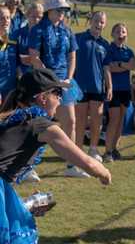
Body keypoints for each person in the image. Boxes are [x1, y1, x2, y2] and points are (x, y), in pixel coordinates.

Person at [0, 68, 111, 244]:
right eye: (57, 93)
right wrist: (104, 173)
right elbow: (87, 163)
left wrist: (25, 205)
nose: (60, 100)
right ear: (42, 98)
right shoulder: (41, 125)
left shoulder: (10, 118)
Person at [28, 0, 82, 177]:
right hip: (44, 82)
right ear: (50, 10)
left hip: (64, 82)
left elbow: (72, 56)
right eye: (60, 10)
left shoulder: (67, 31)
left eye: (65, 10)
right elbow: (34, 56)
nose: (63, 13)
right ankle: (28, 167)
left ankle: (71, 166)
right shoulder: (37, 30)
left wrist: (68, 77)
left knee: (71, 122)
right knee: (38, 124)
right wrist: (49, 79)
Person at [74, 11, 111, 169]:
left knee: (97, 119)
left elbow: (106, 67)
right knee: (80, 120)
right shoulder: (78, 38)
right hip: (80, 86)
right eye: (96, 20)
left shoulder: (105, 44)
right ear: (91, 21)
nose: (99, 24)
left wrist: (110, 86)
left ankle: (93, 149)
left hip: (98, 87)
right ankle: (78, 149)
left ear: (105, 24)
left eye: (102, 22)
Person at [104, 23, 135, 162]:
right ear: (112, 34)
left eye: (123, 32)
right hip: (114, 89)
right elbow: (109, 68)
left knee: (121, 121)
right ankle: (107, 152)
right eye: (118, 31)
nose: (121, 34)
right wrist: (125, 65)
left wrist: (120, 64)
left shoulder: (128, 51)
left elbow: (134, 66)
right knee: (114, 120)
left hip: (125, 89)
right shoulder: (109, 49)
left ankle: (114, 148)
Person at [17, 2, 44, 76]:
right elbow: (12, 53)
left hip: (40, 73)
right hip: (22, 72)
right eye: (33, 16)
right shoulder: (19, 33)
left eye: (40, 17)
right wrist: (20, 59)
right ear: (27, 15)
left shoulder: (45, 34)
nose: (37, 20)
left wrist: (33, 58)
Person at [0, 6, 19, 99]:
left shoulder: (13, 40)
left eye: (8, 17)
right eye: (2, 18)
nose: (6, 21)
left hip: (11, 91)